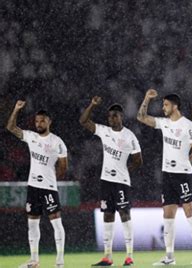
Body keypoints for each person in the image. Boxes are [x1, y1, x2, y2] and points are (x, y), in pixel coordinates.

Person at [137, 89, 192, 265]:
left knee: (190, 212)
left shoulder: (188, 125)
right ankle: (169, 257)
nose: (163, 108)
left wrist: (184, 163)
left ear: (175, 106)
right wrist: (146, 98)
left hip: (183, 175)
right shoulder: (164, 123)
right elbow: (141, 117)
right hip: (167, 175)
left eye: (165, 104)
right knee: (168, 215)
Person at [79, 96, 143, 267]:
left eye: (115, 116)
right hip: (106, 180)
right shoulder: (104, 131)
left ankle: (129, 256)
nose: (112, 119)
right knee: (108, 215)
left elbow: (138, 160)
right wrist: (92, 105)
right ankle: (108, 256)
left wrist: (125, 170)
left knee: (124, 214)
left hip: (121, 182)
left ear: (121, 116)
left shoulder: (129, 136)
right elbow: (84, 121)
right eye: (109, 116)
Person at [7, 101, 67, 268]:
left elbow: (63, 166)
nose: (39, 123)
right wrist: (16, 109)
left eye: (42, 120)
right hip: (33, 187)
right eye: (37, 121)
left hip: (48, 188)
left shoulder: (57, 142)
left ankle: (60, 261)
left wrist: (52, 180)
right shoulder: (31, 137)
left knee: (56, 222)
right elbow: (11, 128)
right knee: (32, 224)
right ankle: (34, 260)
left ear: (49, 122)